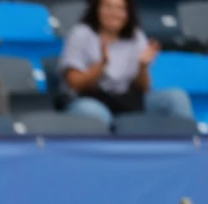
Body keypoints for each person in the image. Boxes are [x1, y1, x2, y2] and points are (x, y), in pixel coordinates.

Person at [60, 0, 193, 126]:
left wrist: (142, 66)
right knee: (93, 113)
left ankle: (188, 147)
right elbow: (74, 83)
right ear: (97, 9)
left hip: (129, 100)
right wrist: (102, 65)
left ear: (128, 13)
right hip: (92, 99)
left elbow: (144, 88)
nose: (114, 13)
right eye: (108, 7)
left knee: (176, 98)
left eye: (120, 9)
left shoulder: (136, 36)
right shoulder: (81, 34)